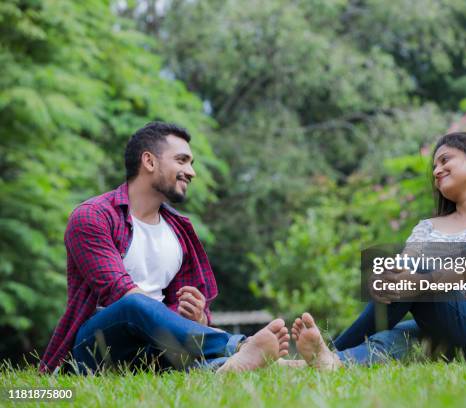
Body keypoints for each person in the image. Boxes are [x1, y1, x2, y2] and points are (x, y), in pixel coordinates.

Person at [39, 122, 289, 374]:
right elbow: (118, 293)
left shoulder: (178, 230)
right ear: (149, 161)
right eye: (181, 161)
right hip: (96, 348)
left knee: (187, 359)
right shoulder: (93, 217)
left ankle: (265, 366)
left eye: (191, 163)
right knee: (133, 306)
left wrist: (198, 319)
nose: (191, 172)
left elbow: (174, 312)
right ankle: (238, 346)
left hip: (154, 347)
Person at [290, 132, 466, 369]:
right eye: (435, 166)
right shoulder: (426, 228)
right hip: (442, 328)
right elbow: (403, 268)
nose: (436, 171)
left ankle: (328, 350)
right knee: (389, 340)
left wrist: (418, 282)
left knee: (418, 274)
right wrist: (385, 283)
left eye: (445, 160)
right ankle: (323, 362)